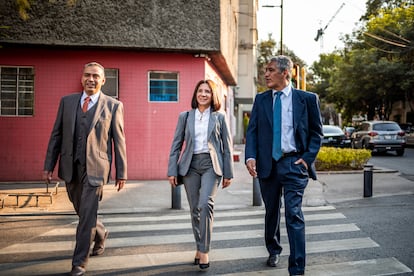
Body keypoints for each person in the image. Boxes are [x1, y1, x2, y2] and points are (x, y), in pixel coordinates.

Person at [43, 62, 127, 276]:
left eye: (96, 76)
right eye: (88, 75)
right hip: (70, 166)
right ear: (82, 78)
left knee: (86, 215)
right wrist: (48, 166)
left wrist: (122, 172)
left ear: (103, 81)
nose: (91, 79)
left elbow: (119, 140)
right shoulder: (67, 102)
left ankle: (79, 263)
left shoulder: (113, 105)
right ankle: (101, 233)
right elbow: (56, 135)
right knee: (84, 213)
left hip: (97, 169)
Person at [245, 55, 323, 276]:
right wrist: (250, 156)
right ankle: (273, 248)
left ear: (286, 73)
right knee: (271, 211)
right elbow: (253, 132)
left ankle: (297, 269)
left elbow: (316, 133)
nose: (266, 74)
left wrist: (307, 160)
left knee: (294, 214)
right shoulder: (261, 100)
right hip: (267, 164)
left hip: (294, 163)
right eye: (265, 70)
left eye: (270, 70)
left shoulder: (307, 99)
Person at [167, 79, 234, 271]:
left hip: (211, 165)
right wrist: (172, 170)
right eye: (200, 91)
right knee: (195, 209)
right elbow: (176, 145)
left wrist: (228, 172)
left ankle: (204, 250)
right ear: (195, 94)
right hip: (190, 166)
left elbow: (226, 147)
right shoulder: (185, 116)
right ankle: (199, 246)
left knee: (205, 204)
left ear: (213, 95)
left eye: (207, 91)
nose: (203, 94)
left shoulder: (219, 117)